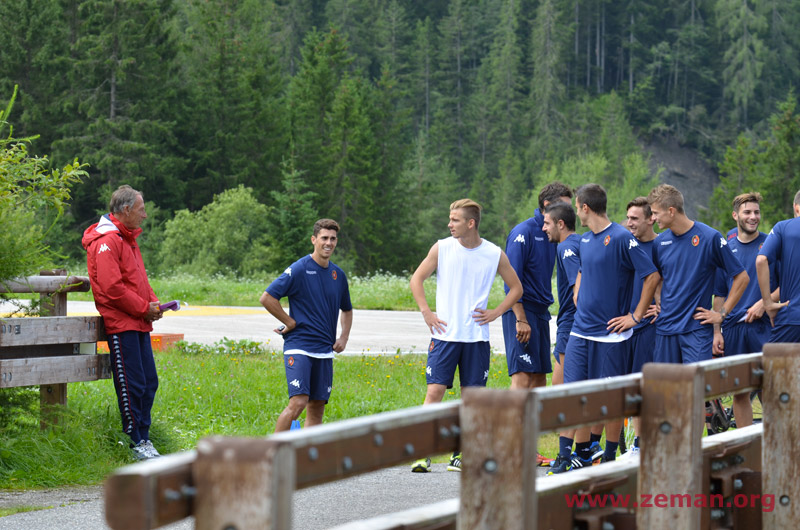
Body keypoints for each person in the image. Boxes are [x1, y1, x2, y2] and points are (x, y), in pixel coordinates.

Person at [550, 184, 660, 474]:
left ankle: (608, 457)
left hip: (611, 336)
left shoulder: (623, 238)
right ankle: (565, 457)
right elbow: (583, 273)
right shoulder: (584, 241)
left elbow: (651, 276)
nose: (576, 211)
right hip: (579, 331)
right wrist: (580, 296)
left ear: (585, 207)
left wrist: (635, 317)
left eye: (577, 206)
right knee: (572, 394)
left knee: (607, 398)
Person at [409, 199, 524, 473]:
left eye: (455, 220)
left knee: (471, 398)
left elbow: (516, 288)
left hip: (476, 338)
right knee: (434, 391)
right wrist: (426, 312)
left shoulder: (493, 253)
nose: (449, 224)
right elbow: (417, 279)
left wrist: (496, 312)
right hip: (445, 335)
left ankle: (461, 452)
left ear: (470, 223)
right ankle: (423, 452)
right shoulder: (442, 247)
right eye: (450, 219)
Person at [83, 185, 163, 460]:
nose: (145, 215)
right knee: (133, 385)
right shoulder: (107, 240)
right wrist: (144, 308)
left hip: (139, 320)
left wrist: (153, 303)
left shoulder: (126, 237)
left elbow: (138, 279)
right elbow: (112, 288)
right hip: (122, 323)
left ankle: (145, 438)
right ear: (126, 210)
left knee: (149, 382)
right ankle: (134, 441)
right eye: (141, 209)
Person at [260, 219, 353, 433]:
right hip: (299, 346)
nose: (328, 243)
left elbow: (346, 309)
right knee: (298, 403)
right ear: (314, 240)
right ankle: (273, 455)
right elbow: (267, 298)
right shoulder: (300, 268)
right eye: (324, 238)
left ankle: (307, 460)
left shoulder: (338, 275)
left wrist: (344, 337)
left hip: (324, 351)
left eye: (333, 238)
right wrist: (289, 321)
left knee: (317, 407)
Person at [647, 184, 748, 367]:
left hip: (696, 331)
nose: (652, 219)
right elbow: (657, 278)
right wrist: (659, 301)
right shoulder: (660, 243)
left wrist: (721, 314)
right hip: (665, 330)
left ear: (671, 211)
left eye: (655, 213)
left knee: (694, 392)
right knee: (665, 393)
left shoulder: (709, 237)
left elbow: (742, 277)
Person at [543, 201, 607, 465]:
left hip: (572, 325)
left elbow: (577, 287)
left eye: (547, 223)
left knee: (566, 393)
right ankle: (585, 448)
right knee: (579, 390)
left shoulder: (567, 247)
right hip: (579, 325)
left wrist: (583, 318)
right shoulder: (581, 241)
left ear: (560, 224)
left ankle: (574, 453)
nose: (543, 228)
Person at [713, 193, 775, 428]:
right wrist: (717, 331)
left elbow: (786, 286)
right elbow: (719, 294)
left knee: (768, 390)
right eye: (747, 212)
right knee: (739, 392)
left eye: (756, 212)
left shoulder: (771, 243)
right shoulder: (725, 249)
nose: (753, 217)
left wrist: (764, 302)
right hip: (733, 329)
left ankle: (776, 447)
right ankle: (747, 450)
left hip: (764, 328)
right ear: (735, 215)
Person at [621, 197, 660, 457]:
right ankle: (638, 444)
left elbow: (672, 281)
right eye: (628, 218)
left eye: (635, 219)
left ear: (651, 219)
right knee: (631, 388)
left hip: (650, 327)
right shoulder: (624, 243)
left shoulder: (662, 245)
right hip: (623, 327)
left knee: (648, 388)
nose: (629, 223)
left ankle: (647, 443)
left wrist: (664, 307)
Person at [756, 189, 800, 342]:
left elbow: (761, 260)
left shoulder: (783, 227)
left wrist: (767, 303)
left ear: (796, 207)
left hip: (792, 317)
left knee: (775, 364)